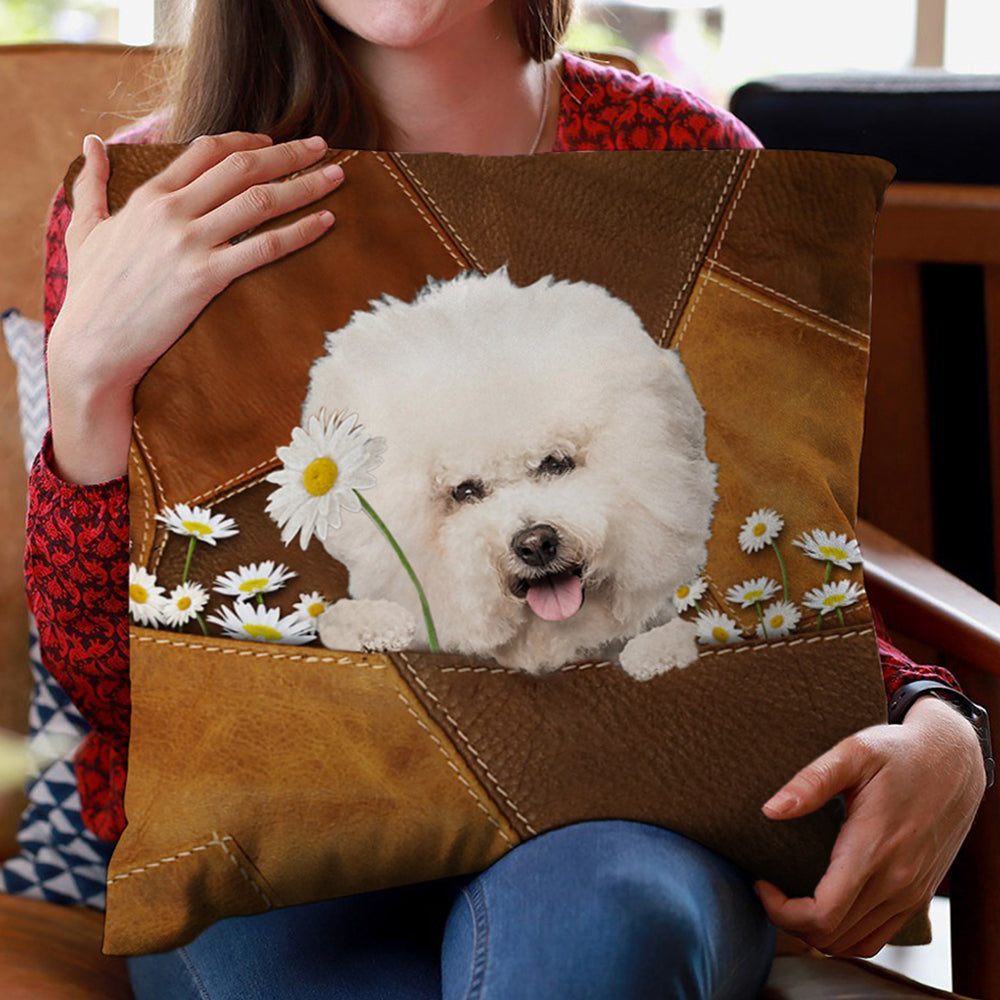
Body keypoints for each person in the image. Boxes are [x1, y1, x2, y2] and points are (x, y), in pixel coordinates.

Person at [25, 1, 987, 997]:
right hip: (275, 821)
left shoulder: (691, 165)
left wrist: (935, 713)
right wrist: (89, 383)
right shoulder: (153, 205)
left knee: (602, 921)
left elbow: (756, 555)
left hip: (622, 817)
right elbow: (106, 681)